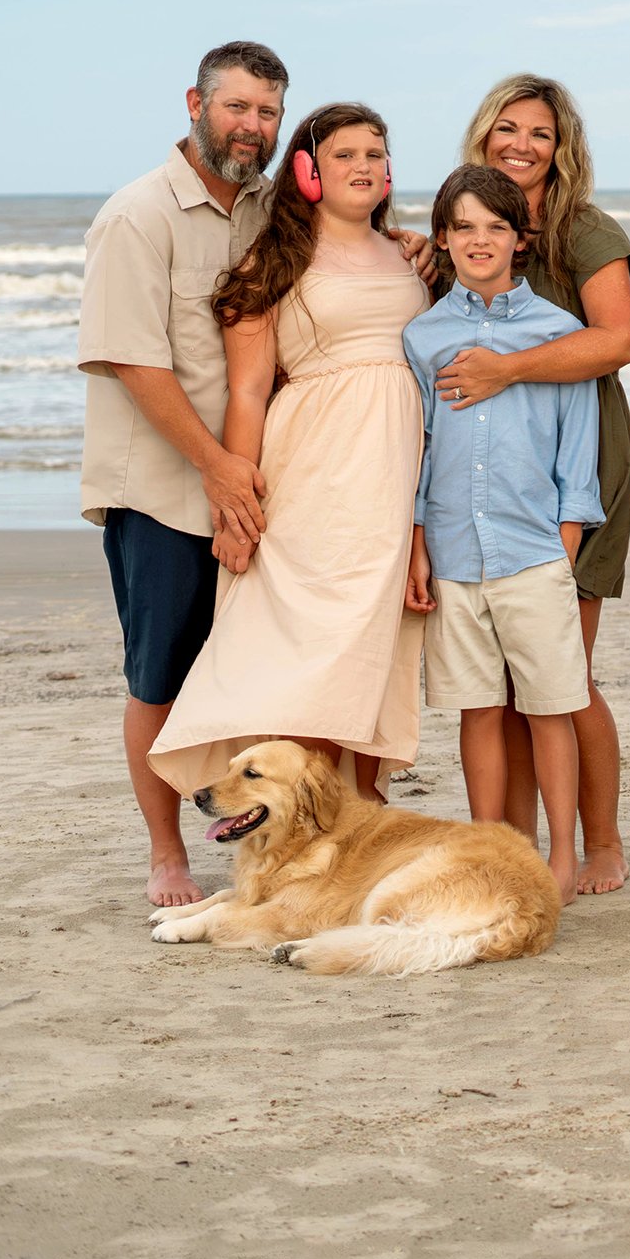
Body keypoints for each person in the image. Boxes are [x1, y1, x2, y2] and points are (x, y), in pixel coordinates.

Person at [149, 103, 431, 800]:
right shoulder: (273, 261)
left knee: (370, 647)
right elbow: (247, 393)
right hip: (312, 474)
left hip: (392, 478)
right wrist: (235, 504)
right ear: (306, 170)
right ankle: (289, 809)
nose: (363, 166)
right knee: (303, 647)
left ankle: (360, 806)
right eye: (344, 154)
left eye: (375, 152)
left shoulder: (414, 256)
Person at [79, 41, 288, 906]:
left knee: (251, 677)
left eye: (268, 112)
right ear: (195, 105)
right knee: (159, 675)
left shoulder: (274, 209)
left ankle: (255, 840)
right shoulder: (138, 216)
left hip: (252, 489)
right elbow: (136, 365)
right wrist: (216, 470)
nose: (252, 127)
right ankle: (167, 852)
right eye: (237, 107)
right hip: (162, 491)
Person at [446, 74, 630, 895]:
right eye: (508, 128)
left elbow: (620, 340)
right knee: (502, 682)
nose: (522, 144)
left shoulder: (586, 232)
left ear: (563, 149)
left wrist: (506, 371)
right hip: (489, 482)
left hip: (579, 464)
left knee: (563, 677)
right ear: (484, 134)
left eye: (541, 133)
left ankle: (601, 844)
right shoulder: (472, 224)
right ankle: (514, 843)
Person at [402, 164, 606, 897]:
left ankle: (559, 856)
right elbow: (420, 448)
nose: (479, 240)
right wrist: (419, 545)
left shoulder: (561, 335)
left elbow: (578, 456)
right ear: (444, 239)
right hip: (455, 555)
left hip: (534, 554)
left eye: (495, 227)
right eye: (464, 227)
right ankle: (491, 854)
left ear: (520, 241)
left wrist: (564, 549)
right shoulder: (423, 336)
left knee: (552, 708)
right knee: (479, 710)